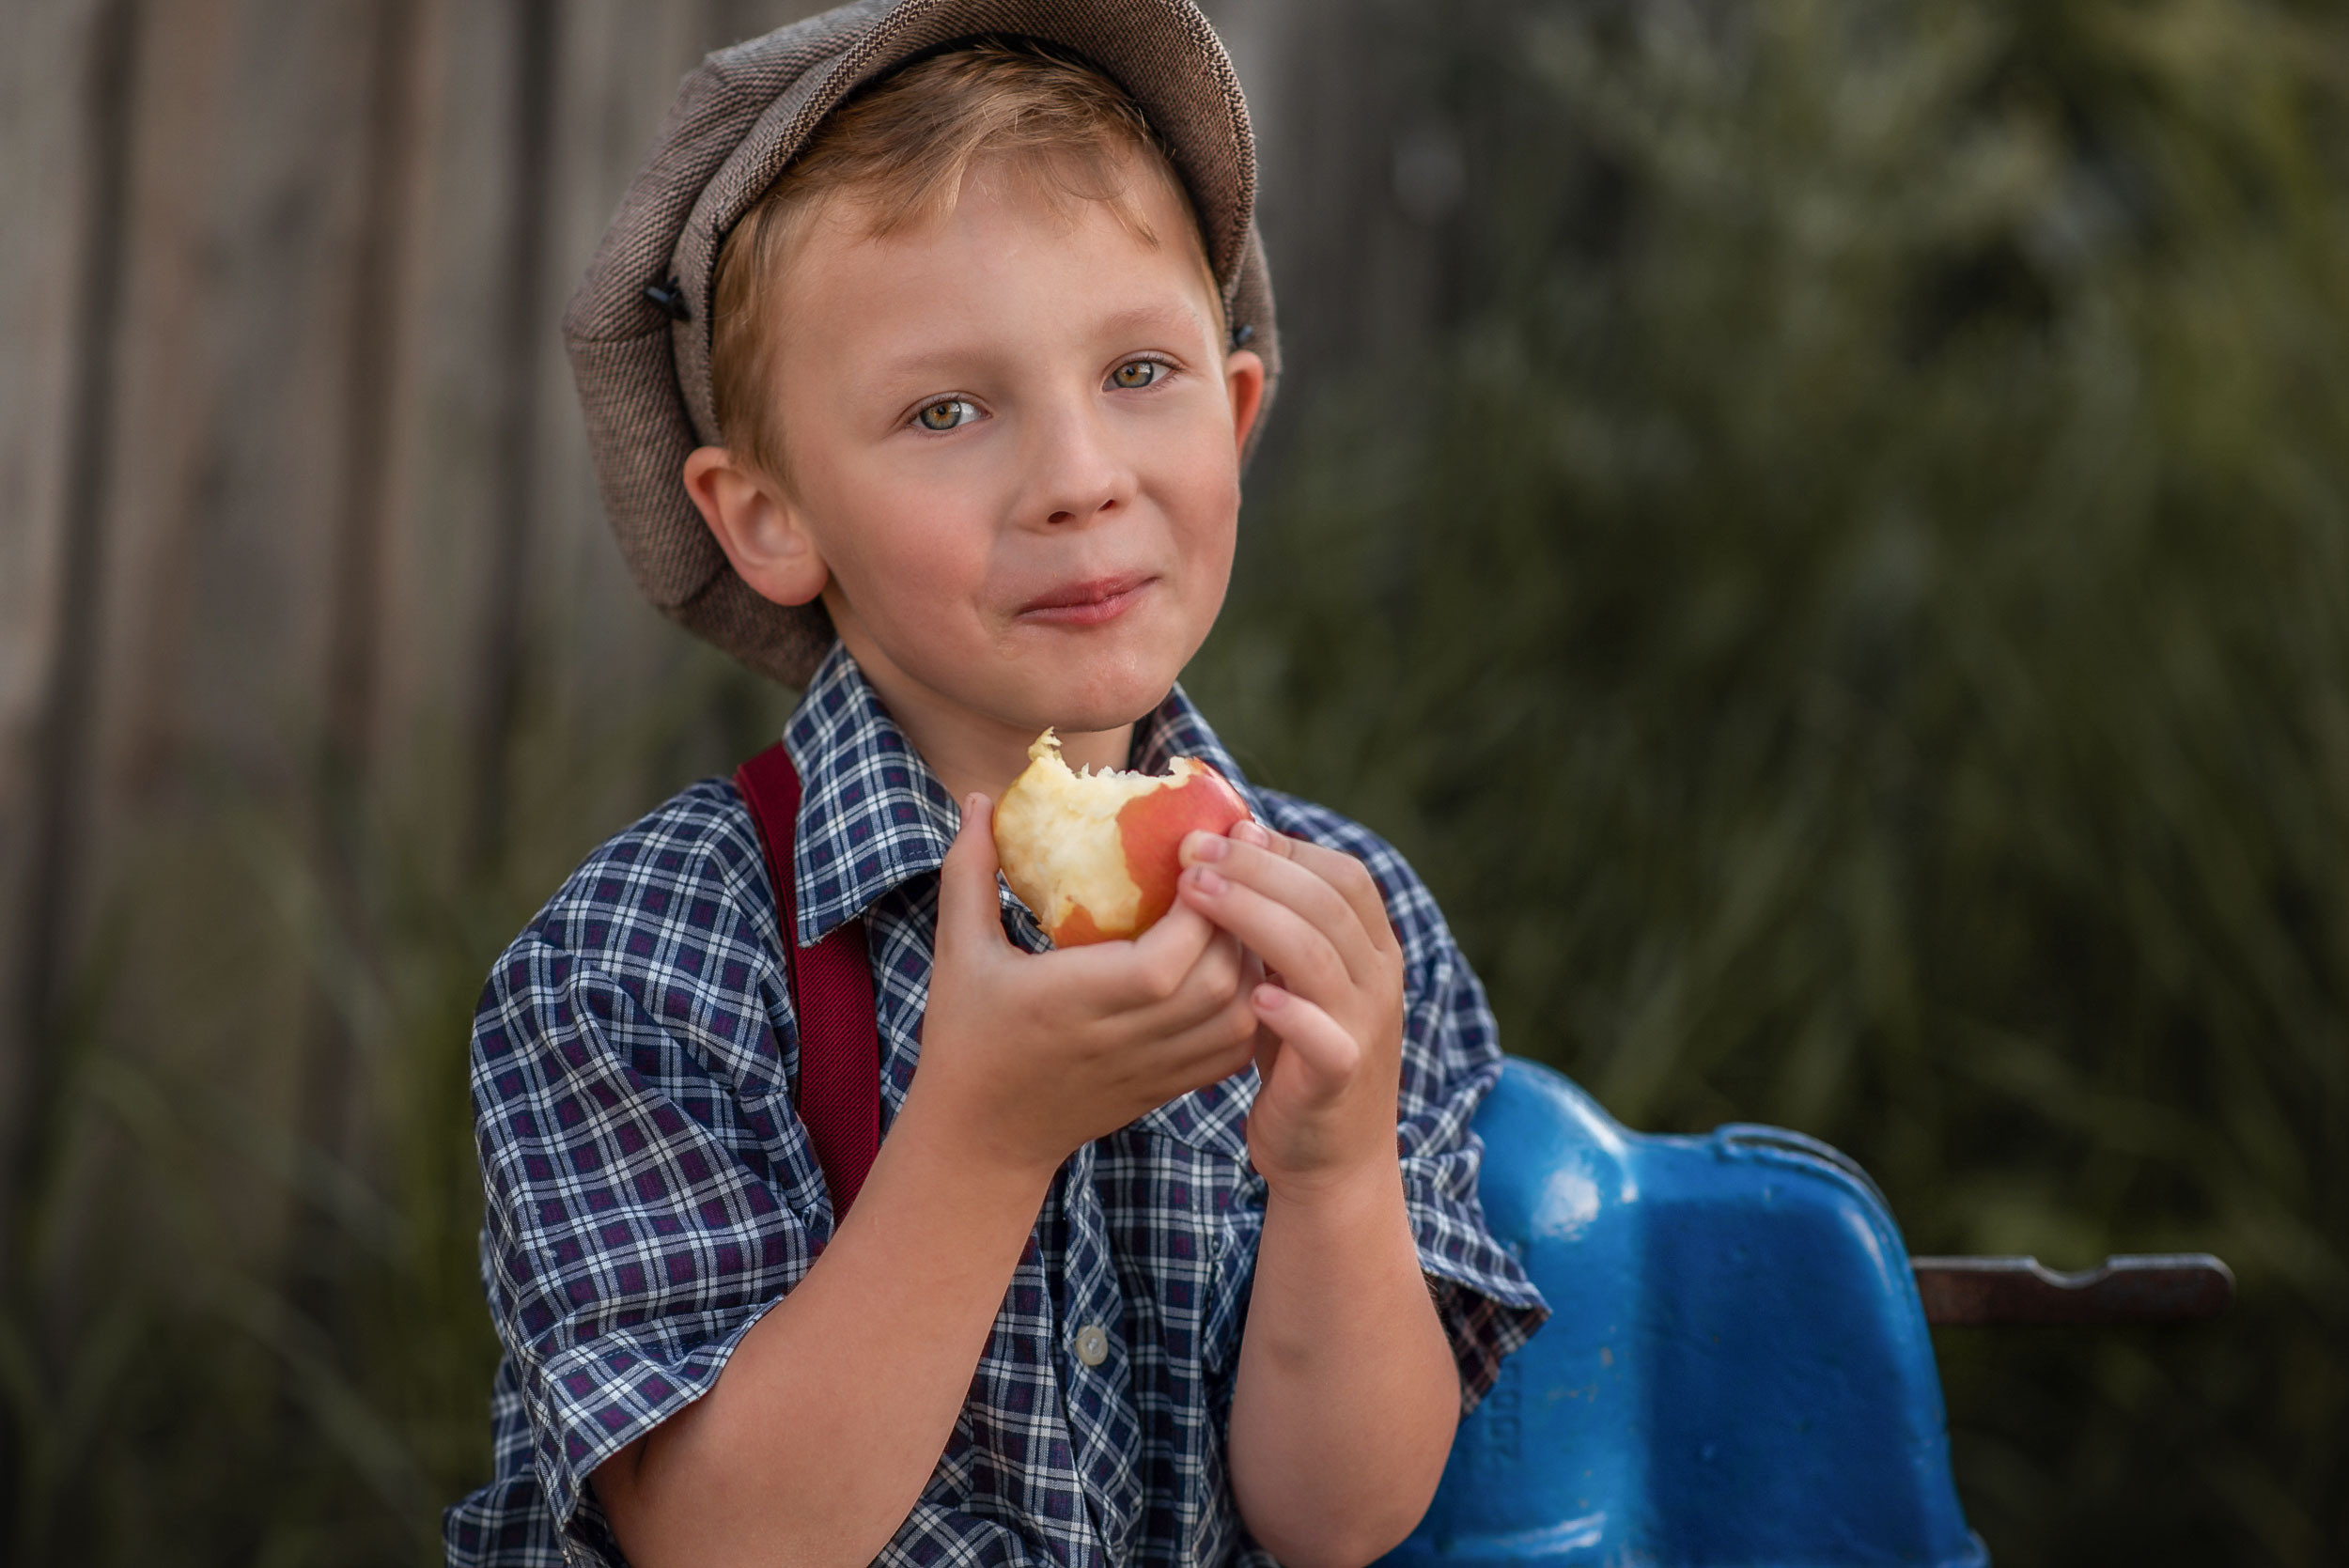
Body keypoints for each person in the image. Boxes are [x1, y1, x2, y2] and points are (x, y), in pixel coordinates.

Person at [445, 4, 1547, 1565]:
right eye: (947, 410)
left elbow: (1340, 1517)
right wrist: (981, 1136)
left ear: (1237, 420)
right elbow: (713, 1537)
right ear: (768, 516)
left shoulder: (1344, 930)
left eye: (1142, 369)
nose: (1080, 474)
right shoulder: (642, 969)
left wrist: (1336, 1172)